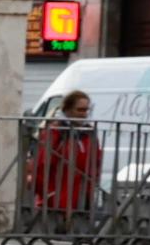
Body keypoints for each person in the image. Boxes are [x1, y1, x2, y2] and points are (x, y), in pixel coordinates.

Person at [26, 84, 104, 224]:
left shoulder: (89, 134)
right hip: (55, 201)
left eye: (87, 110)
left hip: (81, 200)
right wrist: (48, 194)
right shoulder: (55, 132)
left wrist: (91, 189)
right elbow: (41, 165)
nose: (84, 113)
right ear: (67, 110)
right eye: (80, 109)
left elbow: (96, 163)